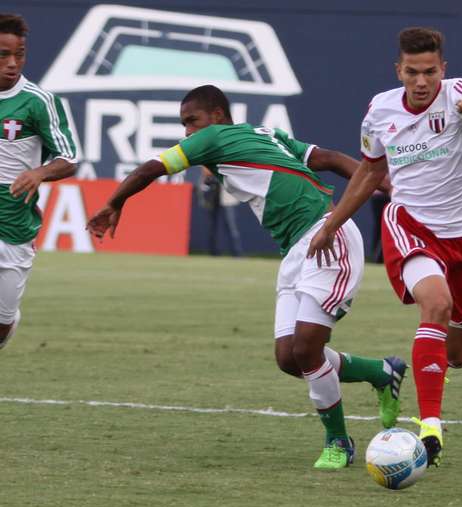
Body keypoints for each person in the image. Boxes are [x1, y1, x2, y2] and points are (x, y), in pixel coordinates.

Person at [87, 85, 406, 470]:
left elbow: (149, 169)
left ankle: (338, 441)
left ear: (218, 116)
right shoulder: (265, 134)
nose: (189, 132)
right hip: (294, 251)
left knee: (306, 350)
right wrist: (384, 184)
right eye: (185, 125)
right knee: (289, 358)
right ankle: (381, 371)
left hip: (326, 235)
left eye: (193, 121)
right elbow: (332, 158)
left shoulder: (213, 137)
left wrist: (114, 202)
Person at [307, 27, 462, 466]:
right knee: (435, 305)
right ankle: (430, 427)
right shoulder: (380, 110)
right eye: (411, 73)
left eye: (429, 73)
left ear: (442, 68)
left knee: (456, 353)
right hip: (411, 225)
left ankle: (442, 360)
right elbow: (369, 171)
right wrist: (333, 223)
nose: (421, 82)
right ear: (398, 70)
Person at [0, 13, 78, 351]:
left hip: (14, 221)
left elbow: (69, 158)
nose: (12, 63)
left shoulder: (38, 101)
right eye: (3, 54)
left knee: (2, 321)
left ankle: (8, 323)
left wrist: (39, 173)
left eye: (19, 54)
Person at [198, 166, 243, 257]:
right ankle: (214, 252)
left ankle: (237, 253)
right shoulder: (209, 159)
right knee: (212, 227)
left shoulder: (228, 159)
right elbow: (206, 173)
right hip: (212, 196)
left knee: (231, 226)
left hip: (227, 196)